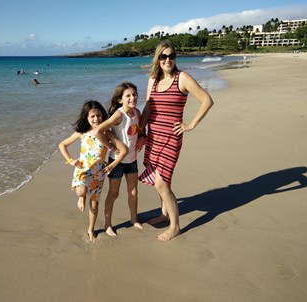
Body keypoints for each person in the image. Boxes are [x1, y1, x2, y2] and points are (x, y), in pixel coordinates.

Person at [138, 40, 214, 242]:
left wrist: (191, 125)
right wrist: (140, 131)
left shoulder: (183, 78)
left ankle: (175, 227)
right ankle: (164, 213)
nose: (167, 60)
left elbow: (207, 100)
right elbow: (147, 108)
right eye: (163, 56)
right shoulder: (153, 80)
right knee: (157, 179)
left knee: (162, 183)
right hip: (153, 136)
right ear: (158, 59)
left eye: (171, 56)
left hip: (171, 138)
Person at [59, 100, 127, 242]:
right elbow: (62, 145)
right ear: (86, 118)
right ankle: (81, 197)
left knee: (94, 204)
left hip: (99, 173)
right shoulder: (82, 132)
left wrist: (113, 160)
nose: (96, 119)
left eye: (99, 115)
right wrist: (71, 160)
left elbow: (122, 149)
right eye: (92, 116)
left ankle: (91, 229)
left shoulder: (106, 133)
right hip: (83, 169)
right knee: (82, 191)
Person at [92, 82, 144, 237]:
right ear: (120, 99)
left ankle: (134, 219)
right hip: (117, 162)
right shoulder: (119, 115)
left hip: (132, 160)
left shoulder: (137, 113)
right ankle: (108, 225)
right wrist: (111, 147)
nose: (132, 97)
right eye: (128, 95)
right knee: (114, 193)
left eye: (134, 94)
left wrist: (142, 137)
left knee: (133, 191)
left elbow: (141, 128)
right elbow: (98, 131)